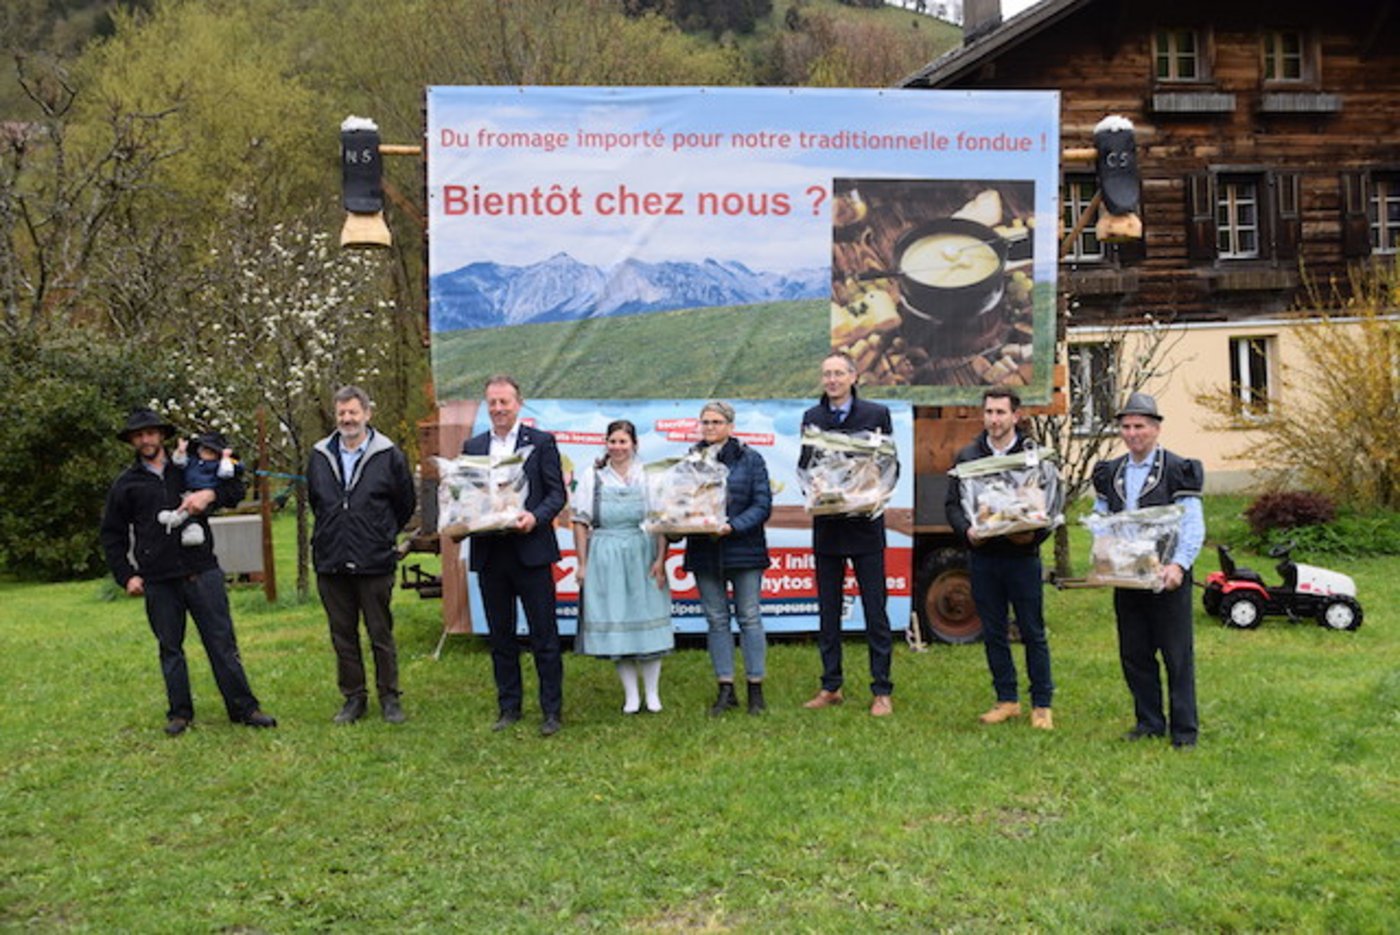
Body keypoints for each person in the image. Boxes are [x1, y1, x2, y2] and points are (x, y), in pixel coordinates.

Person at [100, 408, 277, 736]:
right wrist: (126, 575)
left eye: (151, 433)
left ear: (162, 436)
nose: (145, 440)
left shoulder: (190, 466)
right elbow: (112, 534)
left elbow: (235, 489)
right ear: (132, 441)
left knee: (222, 642)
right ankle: (180, 713)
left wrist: (209, 494)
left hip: (202, 571)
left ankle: (245, 708)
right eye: (138, 436)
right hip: (157, 578)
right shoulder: (126, 485)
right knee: (170, 648)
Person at [1092, 392, 1205, 748]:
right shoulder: (1110, 473)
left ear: (1155, 428)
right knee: (1134, 653)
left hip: (1167, 579)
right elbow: (1101, 520)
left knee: (1176, 655)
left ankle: (1184, 731)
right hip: (1128, 578)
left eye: (1139, 426)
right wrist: (1104, 556)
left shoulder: (1177, 469)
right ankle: (1149, 722)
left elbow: (1193, 523)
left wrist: (1179, 565)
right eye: (1125, 427)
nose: (1132, 433)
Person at [463, 375, 567, 736]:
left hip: (531, 551)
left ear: (518, 404)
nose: (498, 409)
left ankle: (551, 710)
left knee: (545, 637)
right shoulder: (473, 446)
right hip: (491, 554)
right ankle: (509, 707)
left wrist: (534, 518)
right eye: (492, 402)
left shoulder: (541, 443)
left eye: (504, 402)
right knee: (500, 637)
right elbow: (467, 496)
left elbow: (557, 495)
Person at [946, 387, 1055, 730]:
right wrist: (967, 532)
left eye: (1000, 413)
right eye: (989, 412)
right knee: (993, 631)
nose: (994, 419)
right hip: (984, 557)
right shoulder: (968, 456)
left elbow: (1050, 506)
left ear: (1016, 416)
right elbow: (952, 505)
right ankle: (1006, 699)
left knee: (1032, 631)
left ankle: (1042, 704)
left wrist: (1030, 533)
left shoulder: (1034, 456)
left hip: (1022, 558)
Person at [307, 385, 416, 725]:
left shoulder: (389, 454)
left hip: (374, 559)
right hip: (331, 559)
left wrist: (381, 533)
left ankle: (389, 697)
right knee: (343, 634)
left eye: (353, 412)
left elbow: (405, 503)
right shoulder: (320, 454)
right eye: (341, 413)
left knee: (380, 632)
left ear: (367, 414)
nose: (347, 419)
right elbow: (317, 500)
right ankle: (354, 698)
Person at [798, 351, 896, 717]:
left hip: (866, 527)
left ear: (854, 377)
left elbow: (889, 464)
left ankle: (882, 690)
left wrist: (871, 495)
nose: (832, 380)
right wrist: (816, 492)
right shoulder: (812, 418)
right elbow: (805, 468)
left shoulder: (876, 415)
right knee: (828, 611)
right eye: (827, 374)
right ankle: (830, 685)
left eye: (839, 373)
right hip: (828, 528)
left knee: (875, 609)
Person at [570, 420, 673, 714]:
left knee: (648, 615)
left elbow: (660, 521)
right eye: (612, 442)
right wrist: (582, 563)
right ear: (606, 444)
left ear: (634, 444)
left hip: (642, 549)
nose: (617, 447)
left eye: (622, 442)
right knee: (617, 619)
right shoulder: (593, 475)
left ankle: (652, 694)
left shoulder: (648, 475)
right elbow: (579, 521)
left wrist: (660, 560)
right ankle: (630, 695)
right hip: (605, 551)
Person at [684, 400, 773, 716]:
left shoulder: (751, 460)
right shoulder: (690, 461)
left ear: (730, 426)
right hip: (704, 550)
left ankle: (755, 688)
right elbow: (680, 501)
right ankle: (725, 688)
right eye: (705, 422)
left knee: (749, 616)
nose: (709, 427)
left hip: (744, 550)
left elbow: (762, 506)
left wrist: (732, 526)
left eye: (716, 422)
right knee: (716, 619)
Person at [157, 432, 239, 546]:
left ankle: (179, 519)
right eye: (204, 450)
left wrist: (211, 494)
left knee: (194, 509)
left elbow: (230, 480)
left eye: (211, 452)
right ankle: (179, 518)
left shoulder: (218, 466)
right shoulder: (191, 462)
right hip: (187, 493)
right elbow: (179, 461)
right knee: (186, 503)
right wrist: (181, 451)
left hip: (204, 497)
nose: (207, 454)